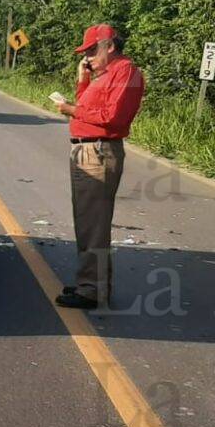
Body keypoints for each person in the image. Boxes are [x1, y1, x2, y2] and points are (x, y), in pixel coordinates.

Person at [52, 24, 144, 310]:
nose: (88, 57)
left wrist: (71, 109)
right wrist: (83, 79)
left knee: (93, 223)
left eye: (92, 51)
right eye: (85, 53)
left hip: (98, 151)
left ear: (110, 46)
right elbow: (88, 107)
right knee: (87, 221)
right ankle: (91, 283)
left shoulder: (126, 72)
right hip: (87, 149)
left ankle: (92, 289)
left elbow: (113, 117)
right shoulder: (104, 75)